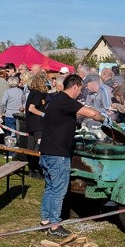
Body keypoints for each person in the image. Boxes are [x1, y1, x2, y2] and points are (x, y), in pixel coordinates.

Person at [39, 74, 105, 238]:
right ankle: (55, 226)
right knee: (59, 190)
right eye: (80, 89)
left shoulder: (57, 99)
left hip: (46, 152)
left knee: (50, 187)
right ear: (75, 86)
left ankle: (45, 221)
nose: (81, 92)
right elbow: (93, 114)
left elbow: (77, 113)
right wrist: (105, 118)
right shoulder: (66, 100)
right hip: (58, 154)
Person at [25, 72, 49, 151]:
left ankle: (31, 162)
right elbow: (31, 108)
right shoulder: (37, 93)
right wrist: (43, 114)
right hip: (37, 125)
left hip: (31, 124)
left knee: (30, 147)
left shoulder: (33, 92)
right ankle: (35, 162)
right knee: (38, 147)